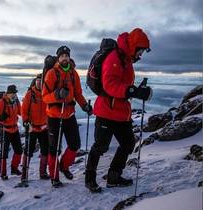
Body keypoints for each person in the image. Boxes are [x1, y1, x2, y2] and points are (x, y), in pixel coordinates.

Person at [85, 28, 153, 193]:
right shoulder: (115, 57)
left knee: (128, 143)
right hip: (106, 112)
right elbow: (110, 85)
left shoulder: (126, 59)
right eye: (141, 51)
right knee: (100, 146)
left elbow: (124, 84)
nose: (141, 55)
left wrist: (137, 90)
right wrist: (133, 91)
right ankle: (89, 178)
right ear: (134, 47)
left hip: (121, 113)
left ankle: (113, 177)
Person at [42, 46, 92, 188]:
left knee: (75, 144)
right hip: (54, 116)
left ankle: (64, 166)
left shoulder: (73, 73)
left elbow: (78, 93)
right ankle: (54, 177)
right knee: (54, 149)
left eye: (66, 55)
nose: (65, 58)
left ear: (69, 57)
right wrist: (57, 95)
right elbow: (44, 97)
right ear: (58, 58)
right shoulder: (52, 73)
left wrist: (84, 106)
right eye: (62, 56)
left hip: (69, 114)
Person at [21, 74, 50, 182]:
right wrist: (25, 122)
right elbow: (24, 110)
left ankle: (43, 173)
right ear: (35, 81)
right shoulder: (30, 94)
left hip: (44, 128)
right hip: (32, 127)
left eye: (41, 81)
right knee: (28, 150)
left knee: (45, 150)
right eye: (38, 80)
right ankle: (24, 174)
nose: (39, 82)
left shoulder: (46, 94)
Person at [0, 85, 23, 180]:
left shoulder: (15, 101)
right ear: (8, 93)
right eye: (12, 93)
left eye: (15, 93)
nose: (14, 94)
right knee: (4, 153)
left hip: (15, 129)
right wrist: (1, 118)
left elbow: (20, 112)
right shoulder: (2, 102)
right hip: (5, 130)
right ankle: (3, 173)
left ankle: (14, 169)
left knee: (19, 150)